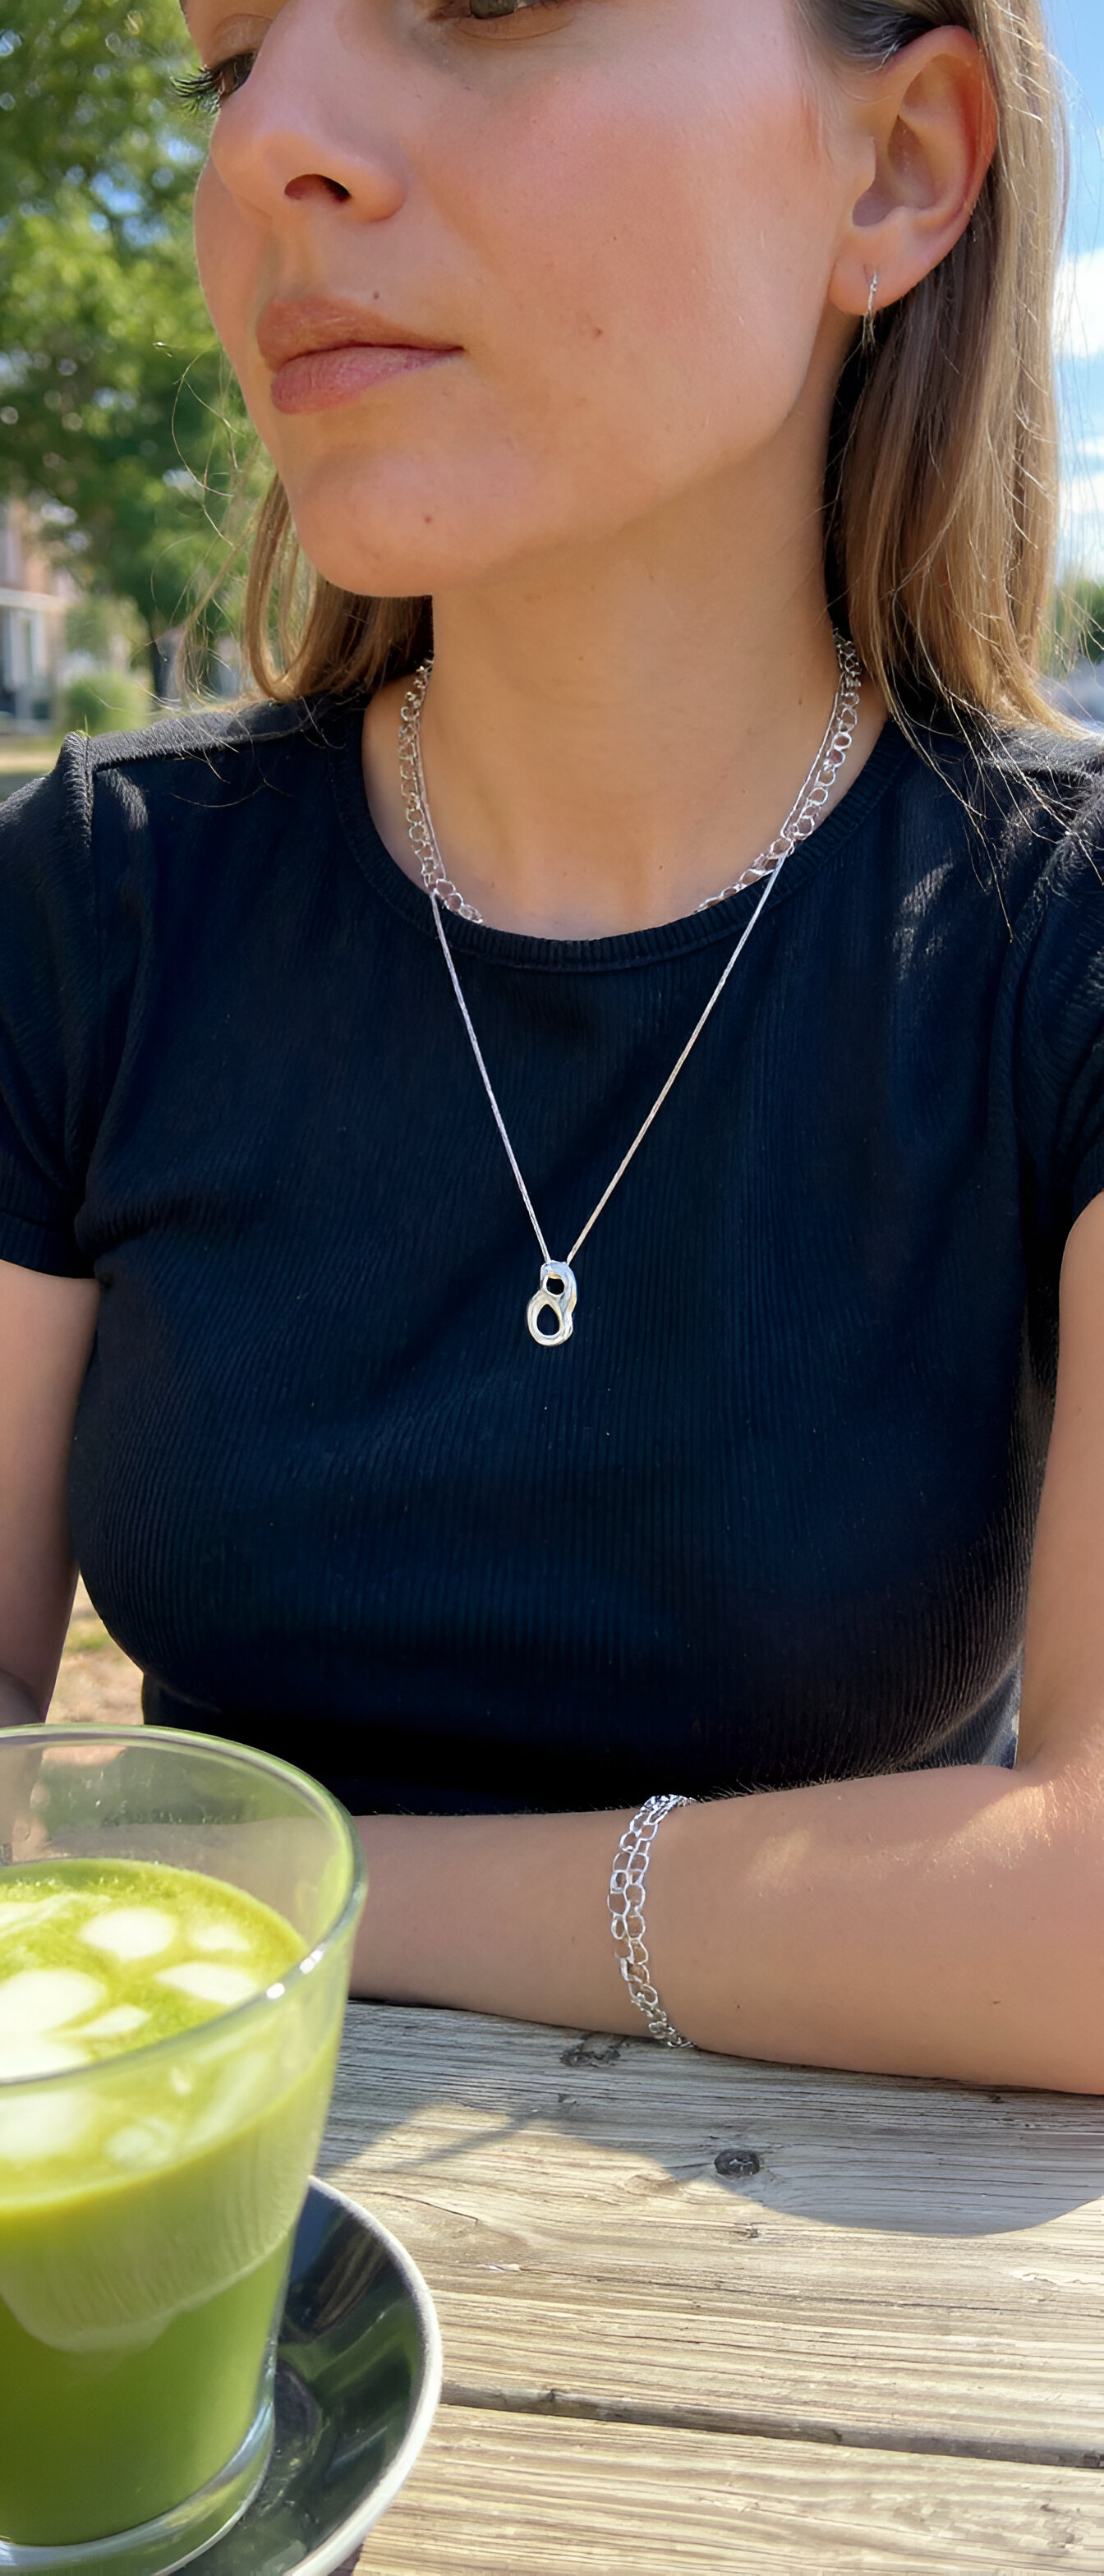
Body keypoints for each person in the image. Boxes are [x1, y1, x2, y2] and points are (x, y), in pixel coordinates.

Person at [1, 0, 1102, 2091]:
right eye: (227, 64)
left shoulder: (1060, 945)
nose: (267, 153)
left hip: (843, 2386)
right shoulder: (87, 908)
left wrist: (292, 1896)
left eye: (479, 1)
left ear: (898, 165)